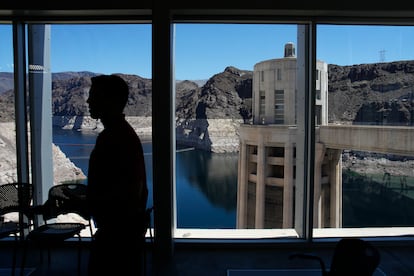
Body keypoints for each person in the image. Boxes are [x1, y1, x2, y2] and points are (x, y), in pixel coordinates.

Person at [86, 74, 148, 276]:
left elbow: (122, 195)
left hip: (118, 239)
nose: (88, 101)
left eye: (94, 96)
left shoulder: (114, 138)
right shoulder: (120, 133)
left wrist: (84, 204)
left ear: (109, 100)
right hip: (124, 234)